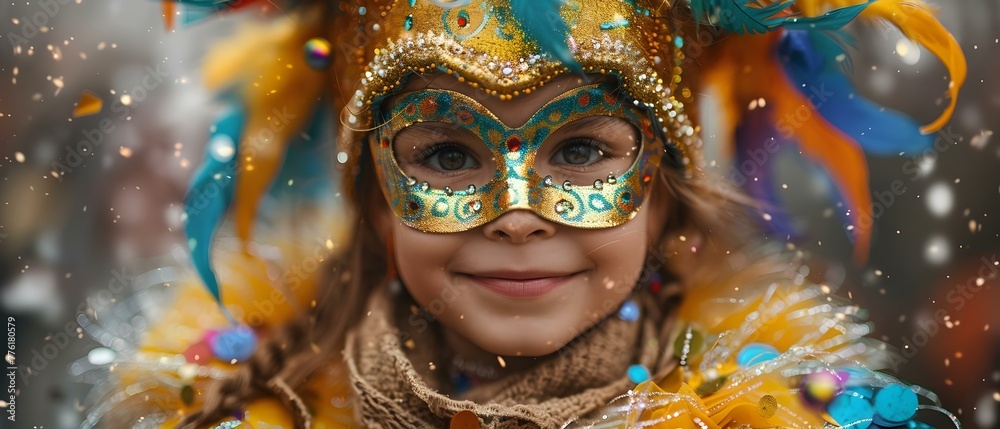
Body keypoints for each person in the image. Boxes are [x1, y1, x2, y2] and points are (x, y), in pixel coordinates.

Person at [76, 0, 968, 428]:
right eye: (448, 155)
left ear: (663, 188)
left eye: (580, 150)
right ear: (373, 195)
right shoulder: (220, 406)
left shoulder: (780, 414)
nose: (515, 216)